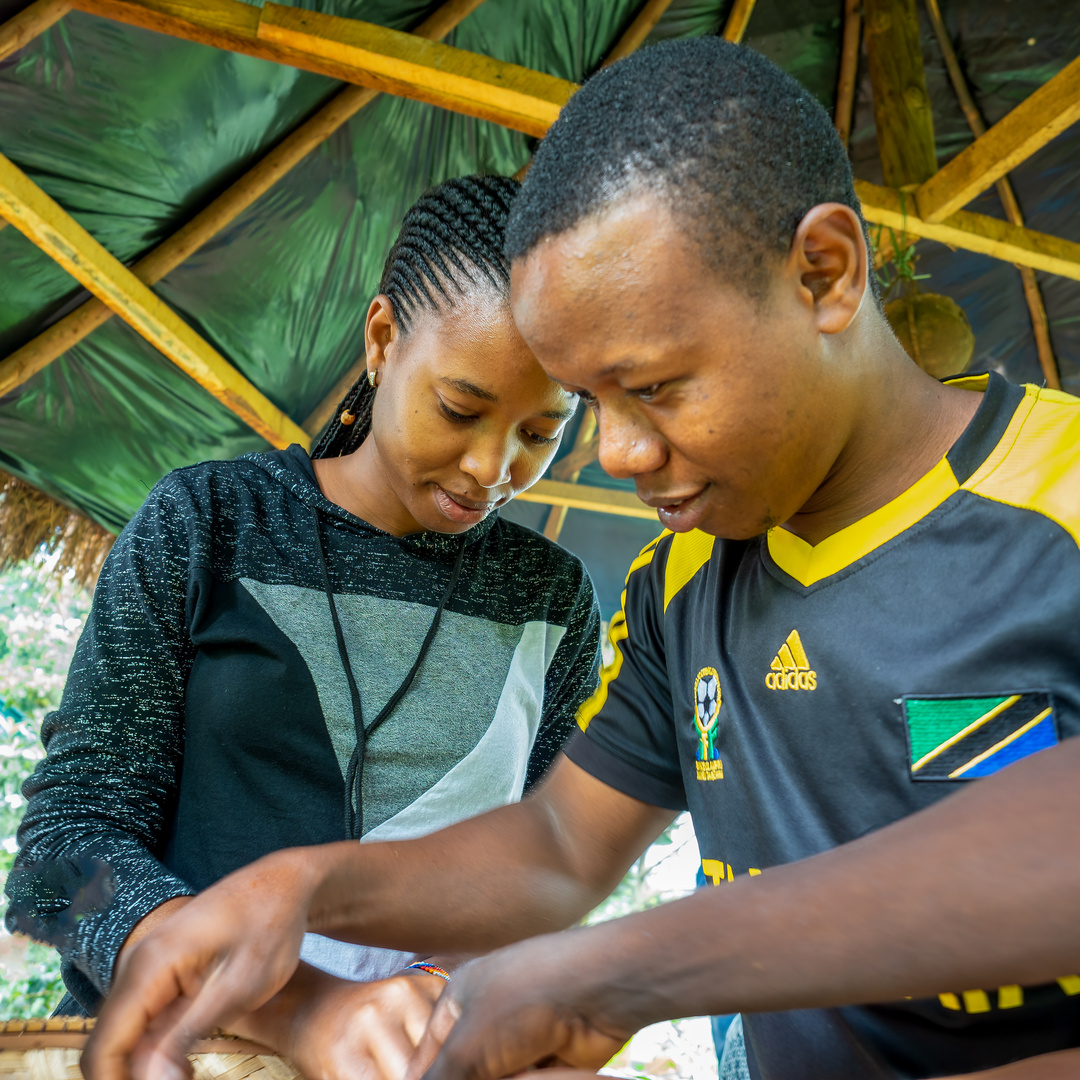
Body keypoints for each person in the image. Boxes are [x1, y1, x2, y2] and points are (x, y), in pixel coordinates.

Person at [74, 38, 1080, 1080]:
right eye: (591, 405)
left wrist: (614, 973)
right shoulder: (684, 587)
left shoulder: (1060, 500)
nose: (617, 455)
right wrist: (304, 886)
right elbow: (558, 844)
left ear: (822, 274)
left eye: (651, 386)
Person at [5, 175, 602, 1080]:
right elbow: (57, 866)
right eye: (461, 408)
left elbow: (539, 875)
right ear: (381, 338)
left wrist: (465, 989)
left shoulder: (551, 603)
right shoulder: (209, 524)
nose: (492, 467)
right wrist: (303, 1014)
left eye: (540, 432)